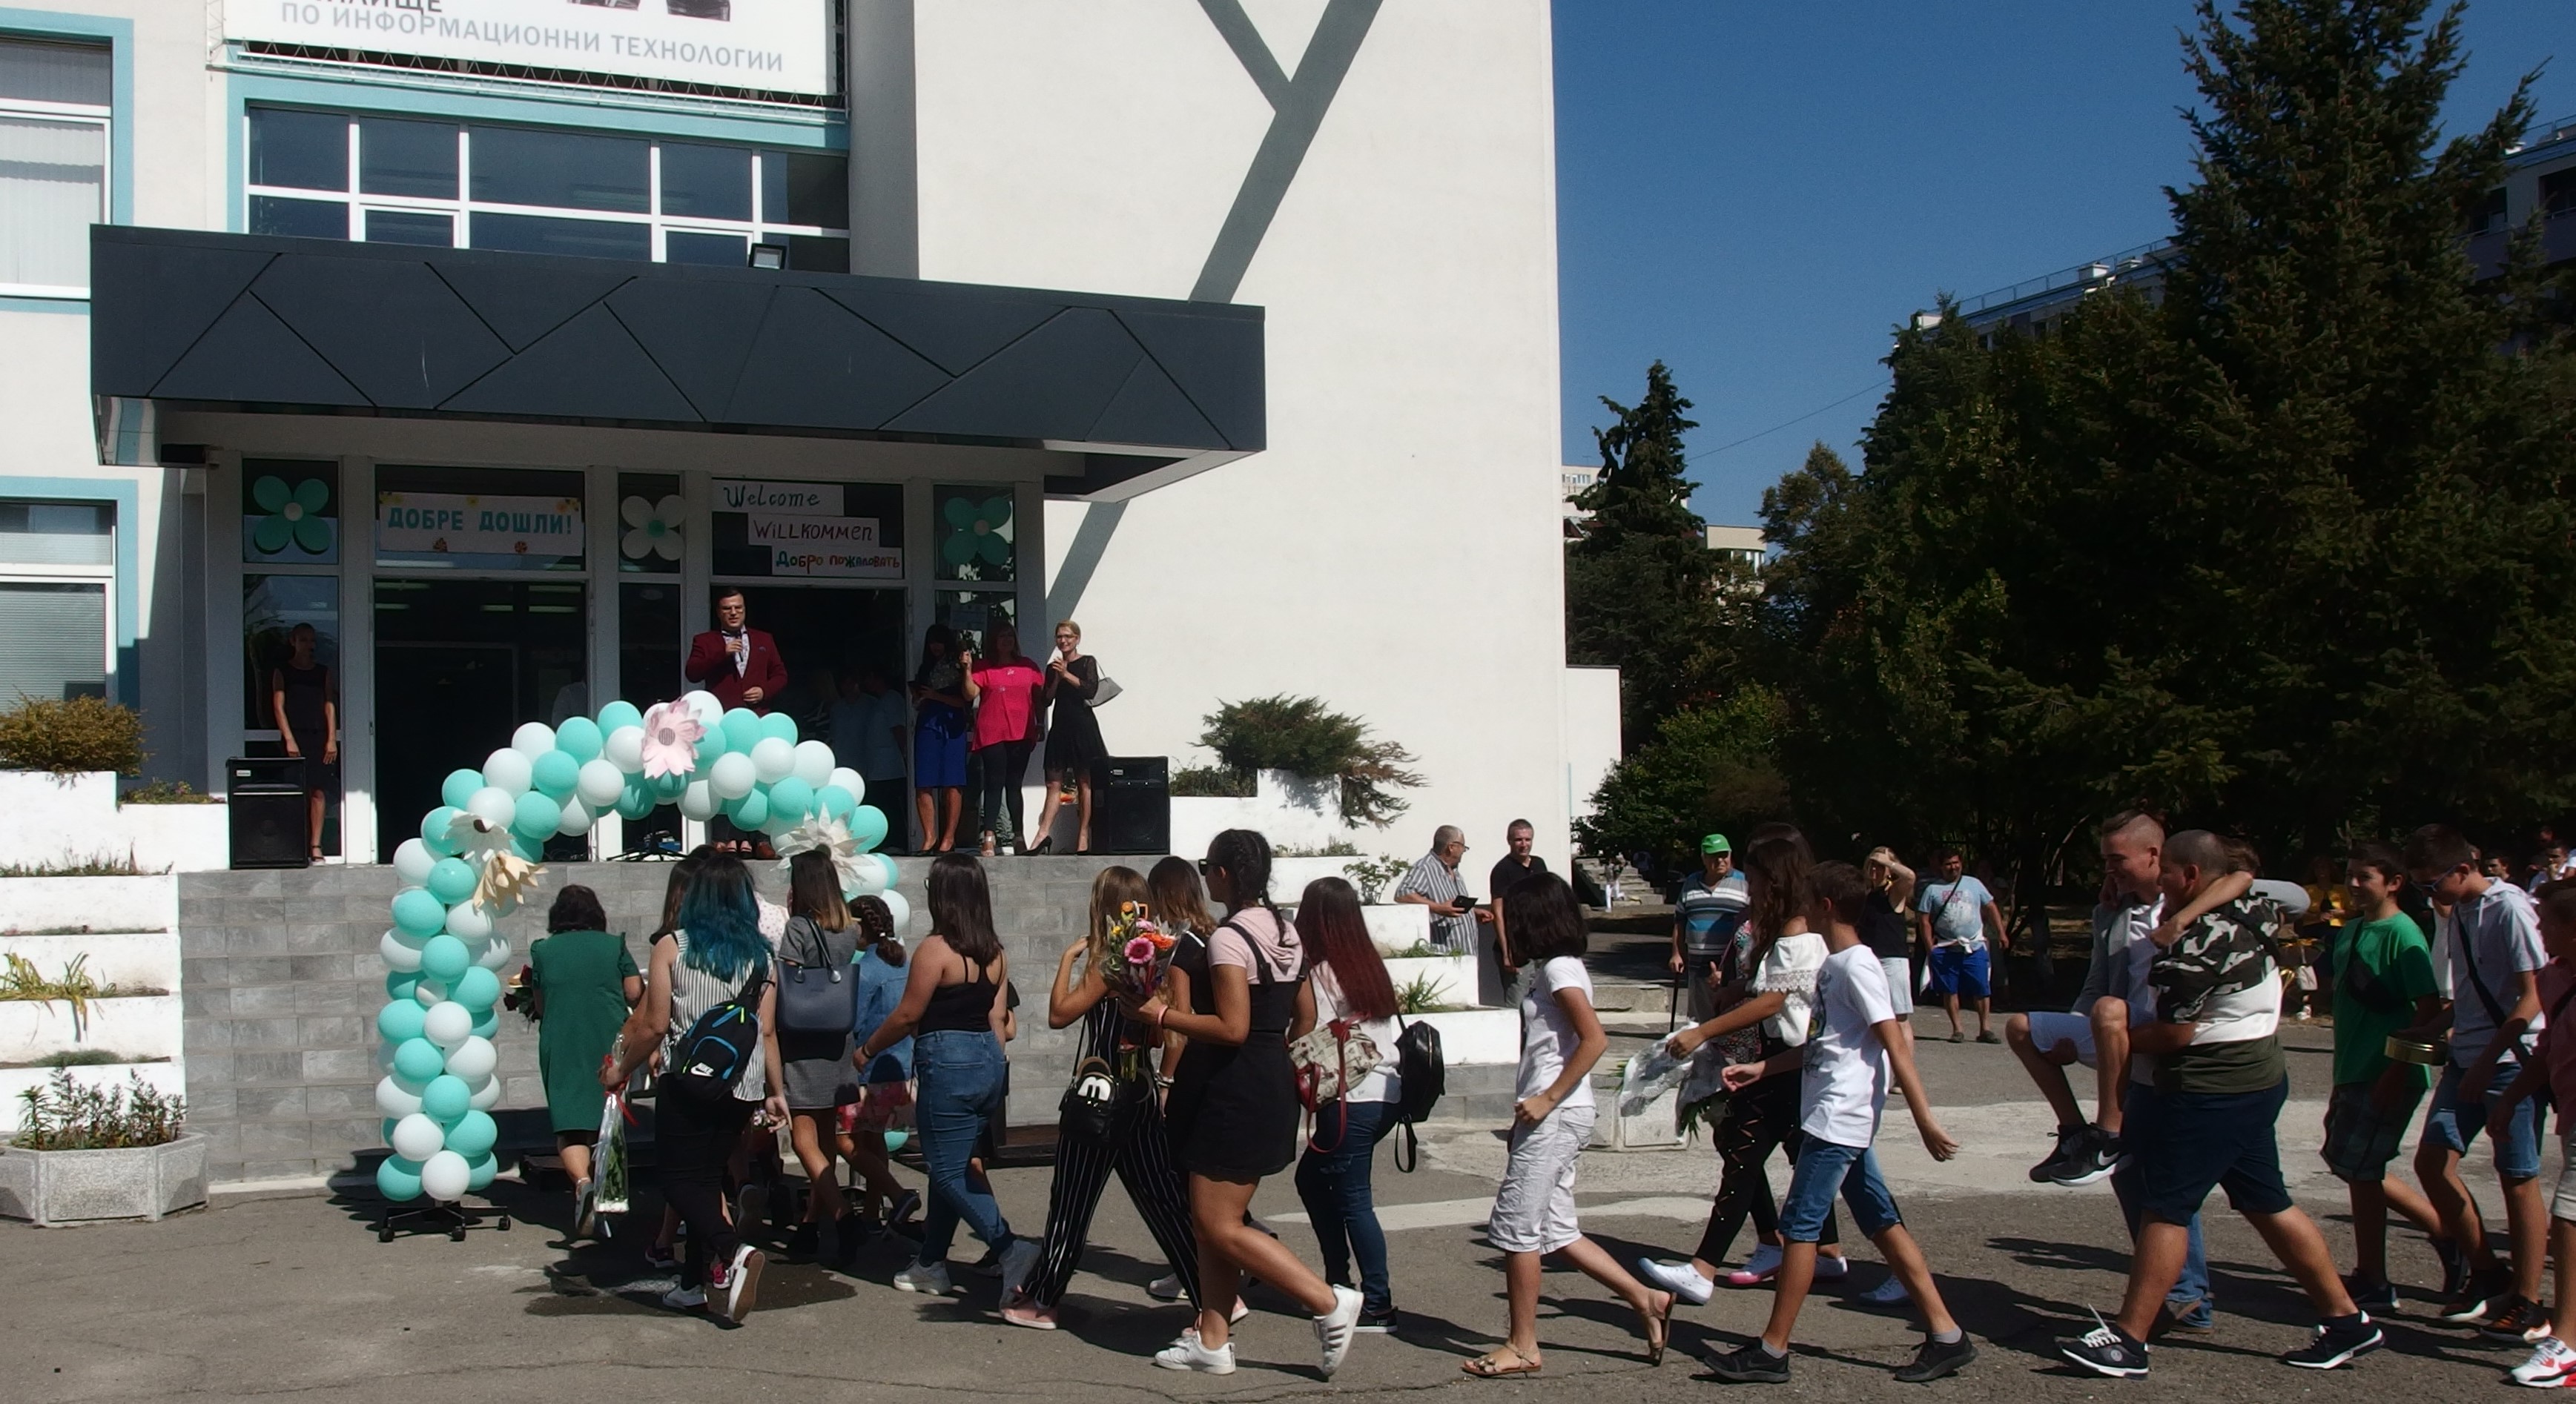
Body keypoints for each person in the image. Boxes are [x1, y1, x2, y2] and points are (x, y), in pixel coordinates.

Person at [2057, 830, 2380, 1377]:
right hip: (2259, 1076)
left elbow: (2175, 1035)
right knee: (2266, 1202)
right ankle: (2348, 1321)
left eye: (2167, 873)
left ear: (2189, 876)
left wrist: (2112, 1038)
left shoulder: (2194, 949)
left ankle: (2130, 1341)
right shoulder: (2253, 907)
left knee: (2166, 1209)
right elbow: (2244, 878)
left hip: (2213, 1089)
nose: (2159, 883)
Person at [1705, 861, 1975, 1384]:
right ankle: (1948, 1336)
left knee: (1798, 1230)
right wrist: (1764, 1067)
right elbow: (1825, 1045)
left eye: (1807, 899)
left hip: (1838, 1120)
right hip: (1832, 1115)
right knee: (1881, 1222)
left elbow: (1893, 1041)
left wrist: (1924, 1119)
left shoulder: (1857, 966)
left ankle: (1772, 1350)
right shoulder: (1834, 966)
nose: (1799, 906)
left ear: (1825, 907)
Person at [1130, 829, 1364, 1377]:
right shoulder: (1287, 930)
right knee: (1210, 1221)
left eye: (1208, 867)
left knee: (1218, 1225)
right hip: (1267, 1082)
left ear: (1224, 874)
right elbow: (1304, 1016)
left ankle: (1326, 1300)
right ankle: (1212, 1340)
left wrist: (1160, 1015)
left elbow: (1232, 1027)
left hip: (1233, 1091)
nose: (1206, 878)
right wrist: (1272, 1055)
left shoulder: (1229, 938)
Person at [1463, 871, 1672, 1377]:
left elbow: (1594, 1039)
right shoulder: (1556, 969)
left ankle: (1523, 1345)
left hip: (1556, 1114)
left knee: (1517, 1228)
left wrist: (1546, 1099)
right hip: (1554, 1115)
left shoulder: (1559, 970)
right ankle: (1646, 1298)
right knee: (1556, 1231)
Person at [1636, 832, 1849, 1306]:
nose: (1748, 890)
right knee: (1774, 1154)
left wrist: (1704, 1032)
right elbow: (1767, 991)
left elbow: (1775, 1001)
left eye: (1753, 881)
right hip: (1782, 1061)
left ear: (1774, 882)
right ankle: (1816, 1250)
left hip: (1790, 1062)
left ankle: (1706, 1268)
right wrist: (1736, 992)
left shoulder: (1797, 933)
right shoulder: (1785, 931)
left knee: (1745, 1156)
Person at [1002, 866, 1202, 1330]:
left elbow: (1059, 1014)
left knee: (1071, 1199)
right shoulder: (1152, 957)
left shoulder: (1109, 960)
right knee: (1162, 1199)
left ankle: (1043, 1299)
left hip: (1102, 1092)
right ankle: (1210, 1293)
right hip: (1141, 1090)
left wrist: (1067, 960)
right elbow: (1161, 1036)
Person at [598, 852, 785, 1325]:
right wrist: (776, 1090)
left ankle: (732, 1250)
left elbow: (655, 1024)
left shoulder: (673, 946)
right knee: (707, 1178)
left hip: (688, 1079)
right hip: (742, 1083)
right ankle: (690, 1286)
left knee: (676, 1179)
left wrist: (620, 1069)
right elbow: (766, 1030)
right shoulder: (762, 956)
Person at [855, 853, 1039, 1298]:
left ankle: (1010, 1247)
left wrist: (867, 1049)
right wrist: (989, 1066)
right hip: (987, 1061)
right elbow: (997, 1019)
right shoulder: (995, 952)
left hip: (948, 1061)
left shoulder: (935, 949)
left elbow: (908, 1014)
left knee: (946, 1169)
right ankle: (931, 1263)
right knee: (951, 1166)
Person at [2403, 823, 2551, 1334]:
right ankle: (2487, 1271)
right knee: (2432, 1162)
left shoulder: (2509, 909)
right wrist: (2432, 1028)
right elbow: (2473, 991)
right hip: (2468, 1055)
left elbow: (2533, 994)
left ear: (2463, 869)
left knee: (2517, 1177)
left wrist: (2488, 1060)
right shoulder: (2461, 909)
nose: (2429, 895)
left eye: (2432, 884)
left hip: (2508, 1061)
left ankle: (2528, 1298)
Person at [2322, 841, 2445, 1311]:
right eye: (2349, 875)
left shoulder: (2403, 934)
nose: (2353, 884)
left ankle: (2379, 1273)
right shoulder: (2353, 929)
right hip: (2352, 1068)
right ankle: (2438, 1237)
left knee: (2361, 1169)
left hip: (2384, 1071)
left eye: (2365, 877)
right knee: (2350, 1164)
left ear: (2394, 883)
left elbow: (2427, 1009)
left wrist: (2399, 1069)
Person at [1292, 876, 1404, 1334]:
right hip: (1385, 1093)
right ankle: (1339, 1283)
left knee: (1354, 1197)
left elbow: (1307, 1029)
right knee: (1315, 1181)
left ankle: (1376, 1303)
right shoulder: (1368, 964)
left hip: (1350, 1099)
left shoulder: (1321, 973)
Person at [2488, 880, 2576, 1385]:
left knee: (2569, 1218)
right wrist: (2512, 1097)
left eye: (2549, 922)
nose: (2539, 929)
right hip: (2571, 1111)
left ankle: (2566, 1342)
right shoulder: (2555, 977)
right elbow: (2546, 1051)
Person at [527, 884, 640, 1239]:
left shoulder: (543, 950)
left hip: (562, 1039)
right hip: (608, 1038)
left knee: (569, 1123)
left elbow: (541, 1004)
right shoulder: (614, 945)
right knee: (607, 1119)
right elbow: (634, 991)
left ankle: (582, 1184)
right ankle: (607, 1192)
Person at [773, 850, 865, 1264]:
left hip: (803, 1038)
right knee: (825, 1139)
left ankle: (844, 1217)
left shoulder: (798, 927)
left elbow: (787, 979)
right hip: (837, 1037)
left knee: (802, 1138)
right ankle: (811, 1226)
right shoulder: (849, 928)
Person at [840, 895, 919, 1238]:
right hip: (901, 1068)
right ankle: (873, 1213)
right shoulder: (904, 965)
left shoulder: (865, 971)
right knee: (875, 1143)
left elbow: (853, 1023)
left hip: (868, 1071)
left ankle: (896, 1196)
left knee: (844, 1140)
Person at [962, 625, 1045, 857]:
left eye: (1010, 636)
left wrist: (1040, 723)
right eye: (1001, 636)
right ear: (994, 641)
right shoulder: (984, 666)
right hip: (992, 732)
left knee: (1014, 785)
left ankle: (1018, 837)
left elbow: (1040, 697)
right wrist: (967, 669)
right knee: (993, 784)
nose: (1006, 640)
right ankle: (989, 837)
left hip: (1021, 732)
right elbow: (970, 694)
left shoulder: (1028, 666)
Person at [1914, 849, 2007, 1043]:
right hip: (1946, 946)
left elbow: (1991, 906)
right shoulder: (1932, 890)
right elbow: (1924, 920)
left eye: (1956, 863)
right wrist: (1930, 947)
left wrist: (2001, 933)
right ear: (1941, 867)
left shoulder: (1974, 884)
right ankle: (1957, 1030)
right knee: (1950, 989)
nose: (1953, 867)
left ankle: (1985, 1029)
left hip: (1974, 945)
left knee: (1982, 988)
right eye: (1948, 864)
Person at [1031, 620, 1106, 855]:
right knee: (1053, 782)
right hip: (1061, 726)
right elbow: (1046, 700)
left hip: (1082, 726)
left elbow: (1090, 690)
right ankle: (1042, 835)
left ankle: (1083, 835)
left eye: (1068, 637)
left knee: (1085, 782)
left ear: (1077, 639)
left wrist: (1067, 675)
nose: (1063, 641)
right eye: (1059, 637)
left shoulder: (1087, 662)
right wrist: (1056, 677)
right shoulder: (1052, 667)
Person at [268, 622, 337, 862]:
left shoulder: (322, 672)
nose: (309, 645)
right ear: (293, 642)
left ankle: (316, 845)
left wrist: (331, 739)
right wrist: (289, 739)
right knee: (296, 791)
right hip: (295, 736)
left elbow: (329, 705)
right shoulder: (283, 671)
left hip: (318, 736)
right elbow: (278, 707)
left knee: (318, 791)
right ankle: (293, 844)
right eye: (304, 640)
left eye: (312, 640)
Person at [1669, 834, 1750, 1024]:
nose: (1720, 860)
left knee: (1728, 1020)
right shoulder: (1691, 883)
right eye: (1714, 856)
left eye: (1724, 855)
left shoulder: (1744, 882)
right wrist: (1677, 954)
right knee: (1699, 1020)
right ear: (1704, 858)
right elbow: (1680, 920)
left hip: (1731, 968)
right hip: (1698, 965)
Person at [829, 667, 911, 852]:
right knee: (880, 804)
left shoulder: (886, 700)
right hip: (870, 766)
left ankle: (896, 843)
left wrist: (905, 756)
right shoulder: (875, 702)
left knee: (890, 806)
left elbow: (899, 730)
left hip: (888, 765)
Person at [910, 626, 971, 854]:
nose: (935, 647)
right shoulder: (925, 668)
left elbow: (964, 701)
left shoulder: (958, 667)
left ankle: (949, 838)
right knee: (923, 782)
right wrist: (919, 697)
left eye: (939, 642)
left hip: (952, 725)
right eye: (932, 642)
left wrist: (936, 695)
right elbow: (918, 702)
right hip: (928, 723)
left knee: (952, 781)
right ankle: (929, 837)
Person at [684, 587, 787, 713]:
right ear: (718, 612)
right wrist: (722, 653)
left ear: (744, 609)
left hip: (756, 714)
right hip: (721, 714)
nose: (733, 613)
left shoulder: (764, 639)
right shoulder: (704, 641)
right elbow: (692, 674)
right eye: (727, 609)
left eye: (738, 607)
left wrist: (764, 691)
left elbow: (780, 675)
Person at [1860, 847, 1916, 1047]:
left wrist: (1889, 862)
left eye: (1880, 866)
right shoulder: (1867, 894)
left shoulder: (1893, 892)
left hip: (1892, 961)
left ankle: (1905, 1066)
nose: (1875, 869)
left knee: (1899, 1018)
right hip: (1870, 959)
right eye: (1872, 864)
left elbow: (1910, 877)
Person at [1394, 826, 1476, 956]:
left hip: (1466, 953)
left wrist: (1473, 912)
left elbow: (1451, 904)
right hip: (1445, 953)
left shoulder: (1454, 871)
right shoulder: (1425, 868)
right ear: (1451, 847)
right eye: (1463, 847)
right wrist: (1438, 908)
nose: (1463, 851)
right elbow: (1402, 894)